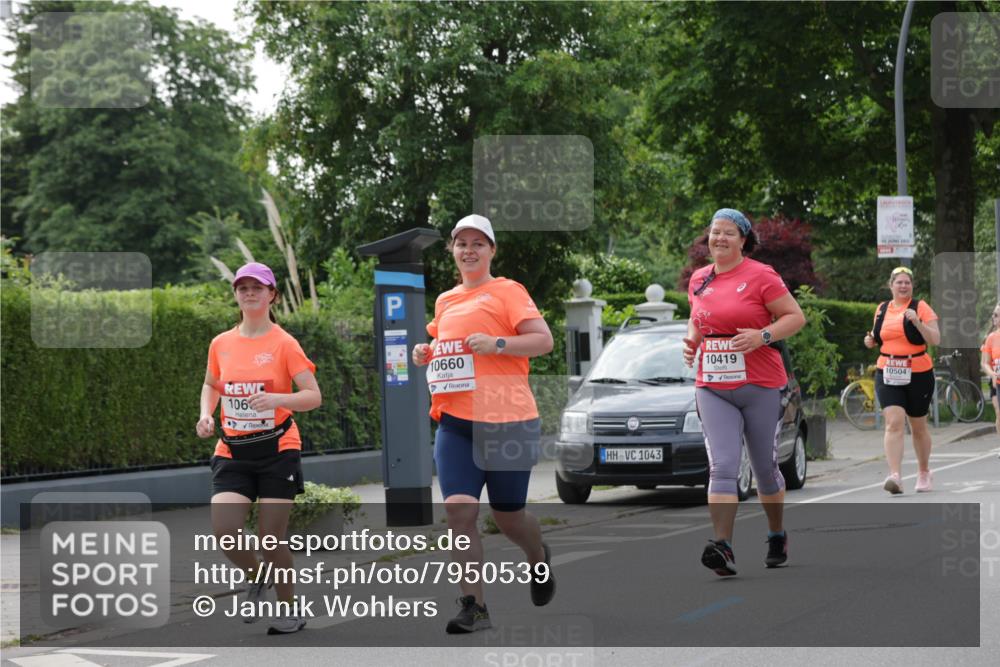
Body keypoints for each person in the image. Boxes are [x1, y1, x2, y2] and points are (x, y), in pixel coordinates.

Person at [411, 214, 555, 633]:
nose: (469, 250)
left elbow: (543, 340)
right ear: (452, 251)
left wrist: (498, 344)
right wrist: (427, 350)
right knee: (460, 511)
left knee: (508, 518)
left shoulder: (508, 291)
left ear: (492, 250)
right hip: (455, 422)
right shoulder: (445, 300)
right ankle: (474, 605)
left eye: (478, 243)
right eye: (461, 243)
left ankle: (537, 556)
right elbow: (447, 345)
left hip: (508, 420)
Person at [195, 262, 322, 635]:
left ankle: (289, 608)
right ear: (236, 294)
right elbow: (212, 385)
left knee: (271, 537)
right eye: (243, 287)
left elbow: (313, 396)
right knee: (225, 530)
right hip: (232, 450)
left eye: (257, 287)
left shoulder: (284, 343)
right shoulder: (221, 343)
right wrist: (206, 414)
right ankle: (259, 575)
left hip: (277, 450)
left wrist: (276, 399)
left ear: (272, 295)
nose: (249, 293)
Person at [682, 208, 806, 576]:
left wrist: (762, 336)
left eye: (728, 233)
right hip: (713, 386)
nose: (719, 238)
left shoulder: (761, 276)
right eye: (714, 232)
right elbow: (697, 316)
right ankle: (722, 546)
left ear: (744, 241)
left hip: (760, 384)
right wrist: (692, 342)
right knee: (722, 465)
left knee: (766, 470)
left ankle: (776, 533)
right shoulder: (699, 279)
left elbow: (795, 317)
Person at [863, 266, 941, 494]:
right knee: (894, 422)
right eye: (899, 282)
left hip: (918, 371)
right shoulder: (882, 308)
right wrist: (870, 341)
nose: (903, 286)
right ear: (891, 285)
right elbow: (877, 336)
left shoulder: (921, 307)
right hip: (888, 370)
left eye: (907, 282)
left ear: (912, 286)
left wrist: (917, 321)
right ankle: (895, 476)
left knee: (917, 426)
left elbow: (935, 339)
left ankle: (924, 472)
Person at [980, 303, 1000, 438]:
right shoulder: (991, 338)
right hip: (997, 381)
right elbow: (984, 362)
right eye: (993, 314)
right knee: (999, 413)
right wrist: (992, 373)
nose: (993, 317)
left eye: (996, 315)